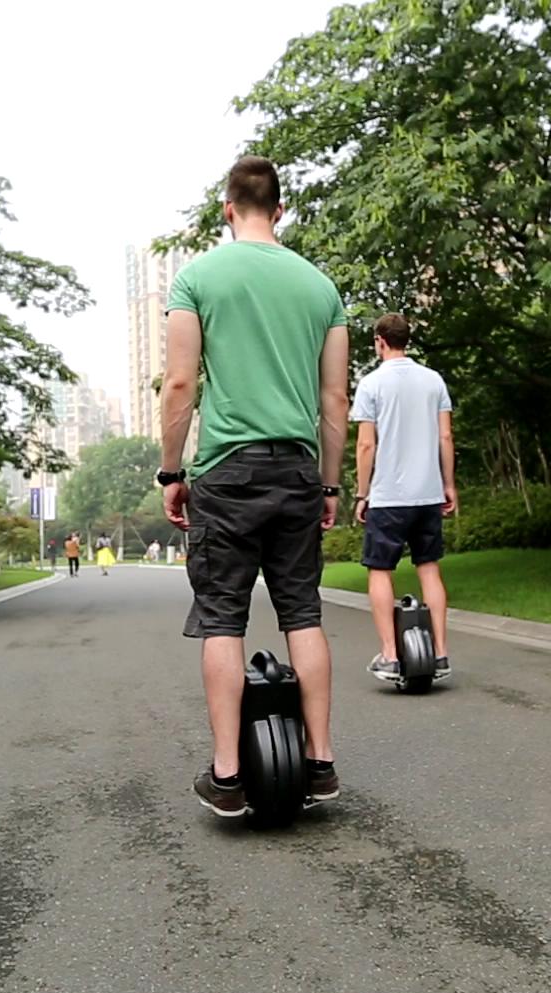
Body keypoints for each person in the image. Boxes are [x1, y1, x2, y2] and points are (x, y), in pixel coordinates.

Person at [159, 155, 350, 818]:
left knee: (222, 617)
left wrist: (172, 471)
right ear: (280, 208)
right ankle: (321, 764)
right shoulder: (320, 287)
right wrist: (329, 486)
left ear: (227, 209)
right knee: (303, 612)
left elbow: (180, 384)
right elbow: (334, 400)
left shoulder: (198, 278)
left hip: (227, 472)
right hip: (297, 471)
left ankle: (228, 776)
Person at [352, 313, 457, 683]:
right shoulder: (433, 380)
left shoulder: (371, 384)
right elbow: (446, 437)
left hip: (388, 497)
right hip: (428, 494)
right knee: (429, 568)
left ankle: (390, 656)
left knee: (380, 571)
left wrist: (362, 493)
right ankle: (441, 654)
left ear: (380, 341)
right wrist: (448, 484)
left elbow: (366, 445)